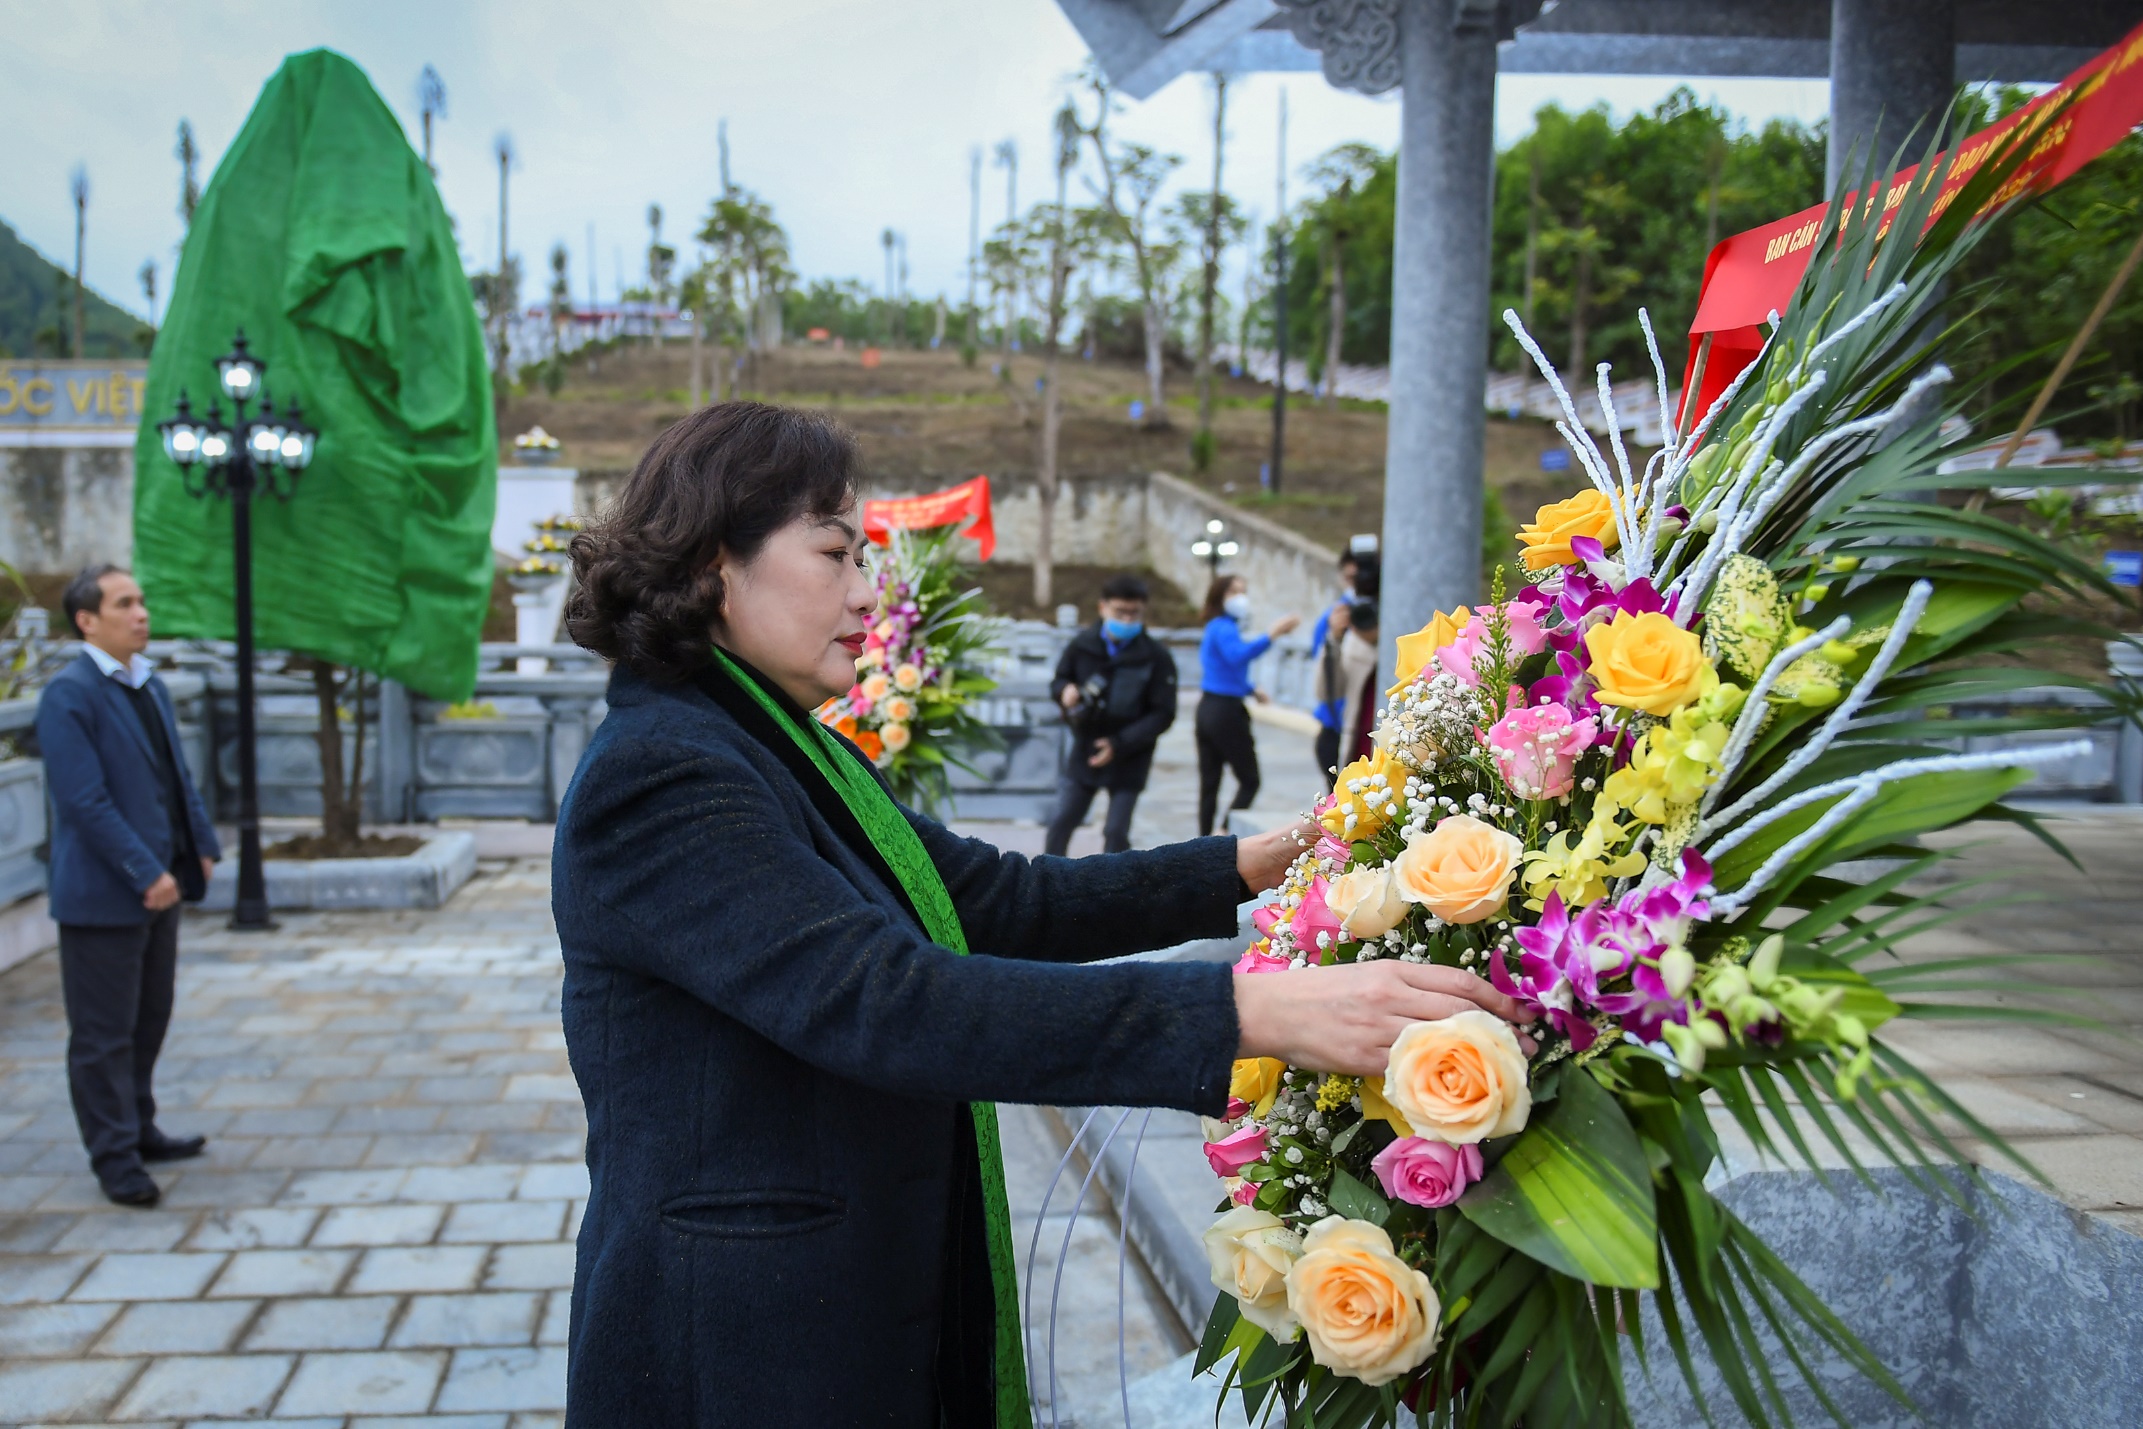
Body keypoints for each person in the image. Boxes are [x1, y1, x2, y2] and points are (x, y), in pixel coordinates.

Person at [552, 401, 1531, 1428]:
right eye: (837, 554)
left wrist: (1262, 859)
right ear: (715, 564)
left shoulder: (780, 745)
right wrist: (1253, 1013)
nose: (868, 592)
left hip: (832, 1303)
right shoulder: (664, 775)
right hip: (740, 1342)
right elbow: (887, 1002)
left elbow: (996, 899)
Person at [34, 566, 219, 1208]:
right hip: (104, 894)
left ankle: (140, 1127)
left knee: (149, 1017)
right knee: (101, 1034)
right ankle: (113, 1156)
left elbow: (176, 777)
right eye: (124, 604)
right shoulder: (69, 695)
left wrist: (201, 846)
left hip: (162, 885)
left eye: (141, 600)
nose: (141, 613)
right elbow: (82, 801)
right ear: (87, 621)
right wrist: (147, 872)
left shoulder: (148, 683)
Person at [1043, 573, 1176, 856]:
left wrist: (1119, 743)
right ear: (1102, 608)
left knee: (1116, 832)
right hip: (1087, 747)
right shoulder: (1082, 645)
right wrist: (1064, 691)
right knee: (1062, 821)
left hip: (1130, 753)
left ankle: (1114, 882)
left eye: (1134, 613)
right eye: (1120, 612)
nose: (1127, 620)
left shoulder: (1156, 656)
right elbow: (1058, 680)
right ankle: (1046, 876)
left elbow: (1163, 713)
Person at [1194, 574, 1299, 837]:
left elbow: (1224, 669)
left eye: (1243, 591)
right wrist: (1272, 634)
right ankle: (1222, 833)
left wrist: (1250, 689)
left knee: (1209, 783)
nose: (1240, 598)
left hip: (1207, 707)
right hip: (1225, 712)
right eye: (1233, 592)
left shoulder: (1214, 627)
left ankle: (1203, 839)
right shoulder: (1224, 627)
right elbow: (1237, 656)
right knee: (1250, 780)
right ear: (1219, 596)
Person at [1310, 549, 1377, 789]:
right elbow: (1324, 689)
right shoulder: (1337, 620)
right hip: (1341, 733)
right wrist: (1336, 639)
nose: (1355, 586)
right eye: (1351, 579)